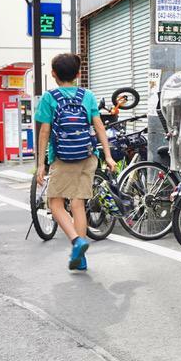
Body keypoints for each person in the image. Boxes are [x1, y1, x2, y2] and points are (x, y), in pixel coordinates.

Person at [33, 52, 116, 272]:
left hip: (61, 158)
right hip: (87, 157)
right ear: (78, 74)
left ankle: (76, 241)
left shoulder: (49, 98)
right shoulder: (87, 95)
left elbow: (44, 132)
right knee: (78, 204)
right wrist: (107, 155)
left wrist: (41, 164)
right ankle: (80, 259)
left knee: (55, 204)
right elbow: (99, 126)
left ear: (53, 74)